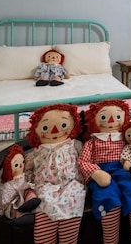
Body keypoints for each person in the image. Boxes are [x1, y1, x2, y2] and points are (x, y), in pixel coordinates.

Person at [78, 99, 131, 244]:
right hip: (101, 173)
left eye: (117, 117)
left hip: (123, 169)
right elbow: (83, 161)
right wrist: (95, 172)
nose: (111, 120)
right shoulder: (92, 142)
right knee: (107, 197)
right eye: (103, 117)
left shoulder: (124, 138)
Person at [25, 104, 86, 244]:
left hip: (71, 186)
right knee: (44, 204)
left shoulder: (74, 145)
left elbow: (86, 160)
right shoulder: (39, 150)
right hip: (45, 186)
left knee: (74, 197)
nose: (54, 130)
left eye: (64, 124)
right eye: (45, 127)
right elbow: (26, 168)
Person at [0, 144, 41, 225]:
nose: (21, 165)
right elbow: (4, 201)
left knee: (29, 190)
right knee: (14, 208)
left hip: (25, 196)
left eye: (22, 162)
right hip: (15, 202)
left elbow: (30, 178)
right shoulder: (7, 185)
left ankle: (31, 200)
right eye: (16, 165)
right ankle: (22, 216)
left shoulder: (24, 174)